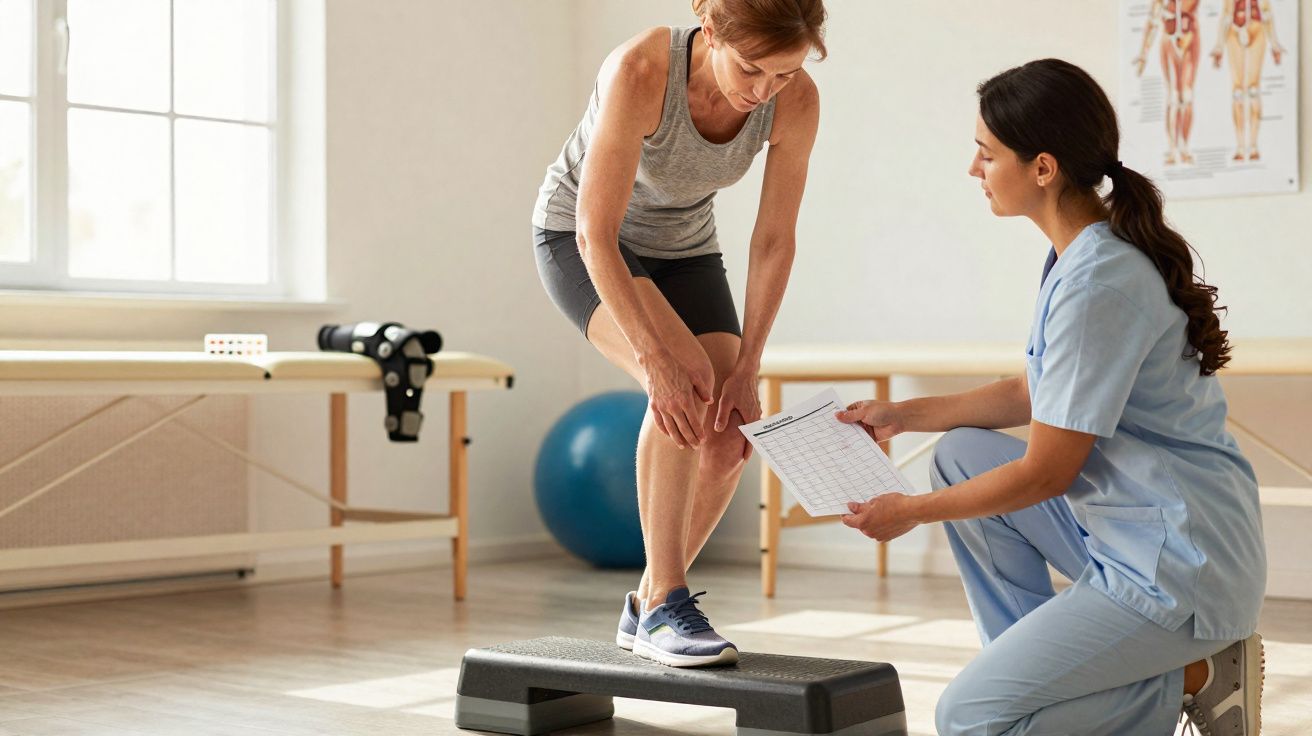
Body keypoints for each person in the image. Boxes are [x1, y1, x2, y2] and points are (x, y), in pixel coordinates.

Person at [836, 59, 1266, 735]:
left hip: (1178, 566)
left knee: (968, 716)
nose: (973, 170)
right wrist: (901, 415)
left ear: (1042, 167)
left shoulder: (1100, 280)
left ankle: (1193, 677)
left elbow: (1046, 472)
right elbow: (1037, 392)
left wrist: (911, 512)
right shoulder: (1083, 255)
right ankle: (1041, 681)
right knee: (960, 455)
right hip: (1130, 532)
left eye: (985, 153)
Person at [532, 0, 824, 668]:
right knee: (687, 380)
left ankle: (647, 606)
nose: (762, 91)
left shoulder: (797, 101)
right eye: (752, 69)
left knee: (727, 432)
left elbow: (775, 241)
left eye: (783, 75)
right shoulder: (641, 70)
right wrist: (653, 356)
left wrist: (751, 365)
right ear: (712, 28)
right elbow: (593, 232)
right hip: (582, 241)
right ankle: (668, 598)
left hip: (685, 250)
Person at [1211, 0, 1287, 161]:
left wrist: (1274, 43)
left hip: (1256, 29)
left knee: (1253, 90)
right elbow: (1226, 15)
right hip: (1234, 30)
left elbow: (1267, 13)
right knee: (1238, 92)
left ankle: (1253, 145)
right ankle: (1240, 146)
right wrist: (1219, 46)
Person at [1133, 0, 1201, 165]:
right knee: (1174, 97)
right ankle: (1172, 149)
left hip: (1190, 39)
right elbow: (1153, 21)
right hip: (1169, 40)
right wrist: (1143, 54)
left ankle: (1184, 148)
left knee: (1186, 96)